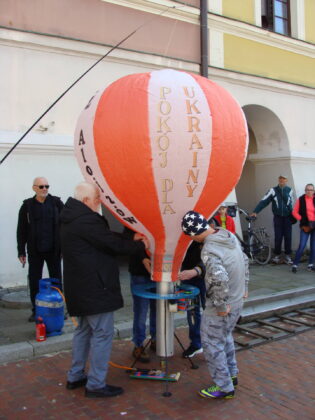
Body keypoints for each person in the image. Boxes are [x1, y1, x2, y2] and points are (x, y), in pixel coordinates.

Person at [60, 182, 148, 398]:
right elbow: (112, 244)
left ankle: (75, 376)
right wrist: (139, 245)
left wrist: (129, 238)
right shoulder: (87, 220)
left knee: (82, 331)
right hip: (95, 288)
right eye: (97, 198)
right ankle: (96, 384)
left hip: (78, 288)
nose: (100, 202)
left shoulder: (69, 218)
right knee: (102, 333)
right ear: (85, 201)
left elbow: (103, 237)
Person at [181, 210, 249, 399]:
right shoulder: (228, 236)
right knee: (225, 337)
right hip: (236, 300)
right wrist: (245, 287)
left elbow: (218, 279)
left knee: (212, 343)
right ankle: (232, 375)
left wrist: (220, 305)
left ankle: (224, 387)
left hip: (222, 305)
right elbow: (244, 259)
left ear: (192, 234)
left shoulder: (209, 248)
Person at [17, 177, 63, 322]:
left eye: (47, 186)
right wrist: (21, 251)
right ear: (34, 188)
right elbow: (21, 230)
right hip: (35, 250)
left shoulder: (56, 203)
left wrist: (65, 247)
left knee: (56, 280)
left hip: (54, 249)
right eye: (41, 186)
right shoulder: (27, 206)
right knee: (34, 279)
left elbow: (65, 225)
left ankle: (58, 308)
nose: (45, 189)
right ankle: (36, 310)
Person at [124, 228, 156, 363]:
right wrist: (142, 258)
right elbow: (127, 239)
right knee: (141, 310)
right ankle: (138, 344)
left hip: (158, 267)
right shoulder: (131, 219)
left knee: (157, 308)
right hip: (139, 271)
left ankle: (156, 338)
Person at [251, 175, 293, 264]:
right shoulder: (273, 190)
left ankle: (287, 256)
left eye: (284, 179)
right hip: (278, 217)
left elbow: (291, 204)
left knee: (288, 237)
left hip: (288, 217)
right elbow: (264, 201)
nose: (282, 180)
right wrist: (256, 211)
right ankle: (277, 255)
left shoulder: (290, 190)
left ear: (286, 180)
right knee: (278, 236)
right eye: (280, 178)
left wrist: (293, 215)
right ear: (278, 180)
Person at [291, 184, 315, 273]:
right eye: (307, 190)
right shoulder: (301, 200)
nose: (309, 191)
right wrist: (302, 219)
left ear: (313, 191)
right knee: (302, 245)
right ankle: (295, 264)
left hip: (314, 225)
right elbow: (294, 212)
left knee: (314, 247)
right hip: (305, 225)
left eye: (311, 190)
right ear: (305, 190)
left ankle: (310, 265)